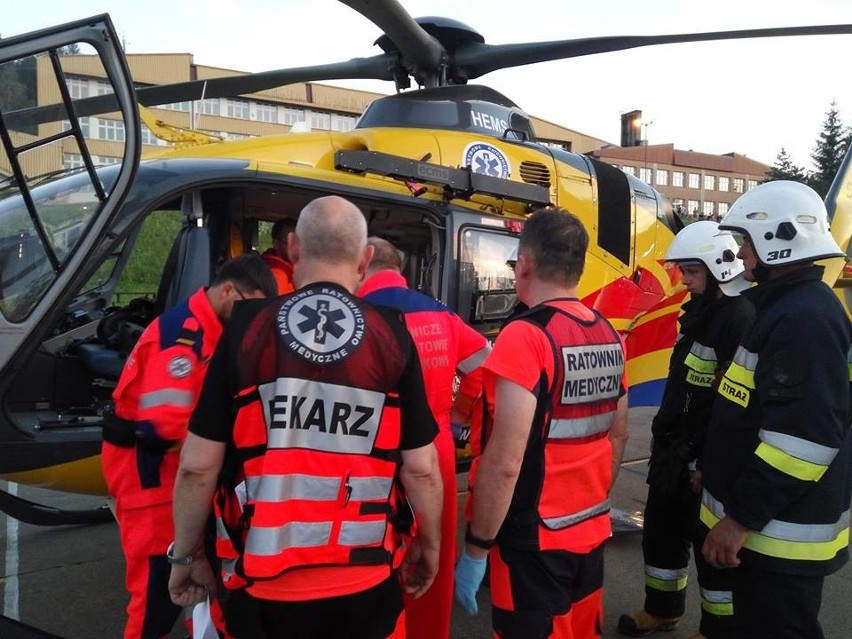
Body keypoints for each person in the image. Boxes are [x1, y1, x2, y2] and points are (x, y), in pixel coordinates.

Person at [167, 195, 444, 639]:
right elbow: (422, 469)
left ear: (293, 247)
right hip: (366, 581)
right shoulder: (392, 334)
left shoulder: (245, 330)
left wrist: (185, 555)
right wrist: (430, 545)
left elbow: (198, 467)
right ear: (365, 258)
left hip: (263, 587)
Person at [454, 208, 629, 638]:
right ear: (580, 267)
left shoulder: (525, 335)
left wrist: (477, 546)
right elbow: (618, 433)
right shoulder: (609, 333)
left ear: (525, 263)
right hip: (589, 528)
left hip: (534, 540)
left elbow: (505, 461)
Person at [699, 181, 851, 639]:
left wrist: (739, 519)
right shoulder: (789, 308)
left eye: (744, 241)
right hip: (770, 533)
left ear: (776, 241)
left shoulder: (802, 319)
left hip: (779, 539)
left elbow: (801, 444)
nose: (740, 254)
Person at [101, 253, 277, 639]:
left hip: (176, 479)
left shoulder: (212, 329)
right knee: (154, 596)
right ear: (229, 291)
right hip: (153, 485)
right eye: (252, 306)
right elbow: (165, 429)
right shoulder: (183, 338)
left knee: (195, 586)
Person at [617, 221, 754, 638]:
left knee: (709, 549)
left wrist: (704, 461)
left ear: (718, 269)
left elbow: (732, 405)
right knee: (661, 535)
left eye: (691, 272)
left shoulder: (739, 318)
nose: (684, 280)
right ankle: (662, 609)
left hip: (703, 457)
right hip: (674, 450)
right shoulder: (700, 312)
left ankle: (716, 630)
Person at [359, 236, 491, 639]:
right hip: (436, 450)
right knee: (433, 553)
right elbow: (486, 363)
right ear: (398, 269)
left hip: (371, 449)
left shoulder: (356, 316)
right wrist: (458, 414)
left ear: (362, 266)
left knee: (372, 556)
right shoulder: (440, 313)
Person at [262, 218, 297, 294]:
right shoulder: (277, 274)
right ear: (276, 244)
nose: (297, 247)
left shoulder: (291, 267)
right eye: (291, 242)